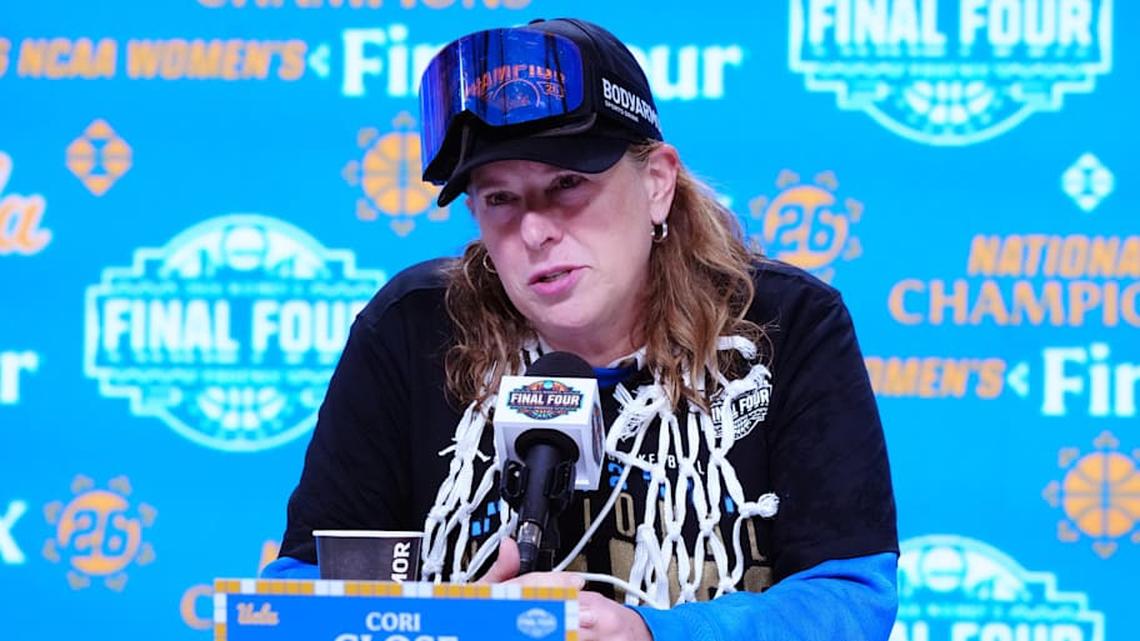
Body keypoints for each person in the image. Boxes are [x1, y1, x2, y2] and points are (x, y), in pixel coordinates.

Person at [264, 17, 899, 641]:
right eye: (499, 199)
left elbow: (847, 598)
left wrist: (650, 635)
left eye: (567, 184)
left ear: (657, 183)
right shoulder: (414, 328)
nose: (534, 231)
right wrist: (453, 627)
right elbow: (301, 597)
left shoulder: (780, 329)